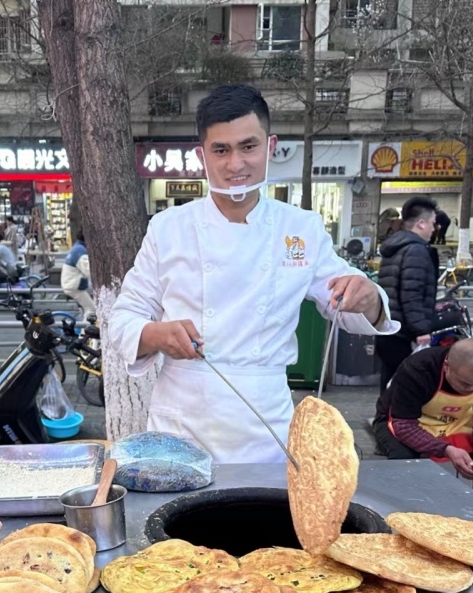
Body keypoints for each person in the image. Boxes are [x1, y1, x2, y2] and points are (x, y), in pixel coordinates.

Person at [108, 83, 398, 464]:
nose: (235, 164)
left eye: (248, 146)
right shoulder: (168, 227)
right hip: (181, 420)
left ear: (271, 145)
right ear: (202, 155)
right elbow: (122, 319)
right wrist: (157, 334)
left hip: (265, 424)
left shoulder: (301, 229)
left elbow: (349, 306)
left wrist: (369, 296)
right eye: (221, 150)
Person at [373, 339, 473, 479]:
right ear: (446, 366)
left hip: (459, 422)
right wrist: (445, 449)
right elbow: (404, 426)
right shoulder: (419, 369)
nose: (471, 389)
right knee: (407, 461)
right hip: (401, 421)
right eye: (466, 384)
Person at [374, 196, 439, 394]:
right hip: (403, 332)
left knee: (390, 382)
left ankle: (383, 421)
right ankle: (394, 423)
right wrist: (421, 330)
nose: (434, 229)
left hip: (389, 327)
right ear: (421, 223)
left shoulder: (395, 247)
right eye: (432, 223)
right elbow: (412, 293)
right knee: (405, 386)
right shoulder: (416, 250)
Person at [61, 230, 95, 317]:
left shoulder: (77, 247)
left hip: (72, 283)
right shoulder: (80, 251)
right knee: (91, 309)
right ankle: (86, 330)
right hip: (74, 286)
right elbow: (89, 271)